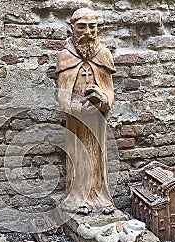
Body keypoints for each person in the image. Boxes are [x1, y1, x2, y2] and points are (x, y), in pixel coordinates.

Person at [56, 8, 117, 215]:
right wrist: (77, 106)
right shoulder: (65, 56)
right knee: (78, 158)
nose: (88, 32)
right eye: (81, 26)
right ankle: (78, 198)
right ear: (72, 28)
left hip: (97, 119)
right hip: (76, 121)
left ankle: (100, 198)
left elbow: (109, 91)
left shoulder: (104, 54)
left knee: (97, 157)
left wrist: (102, 97)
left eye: (92, 26)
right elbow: (62, 96)